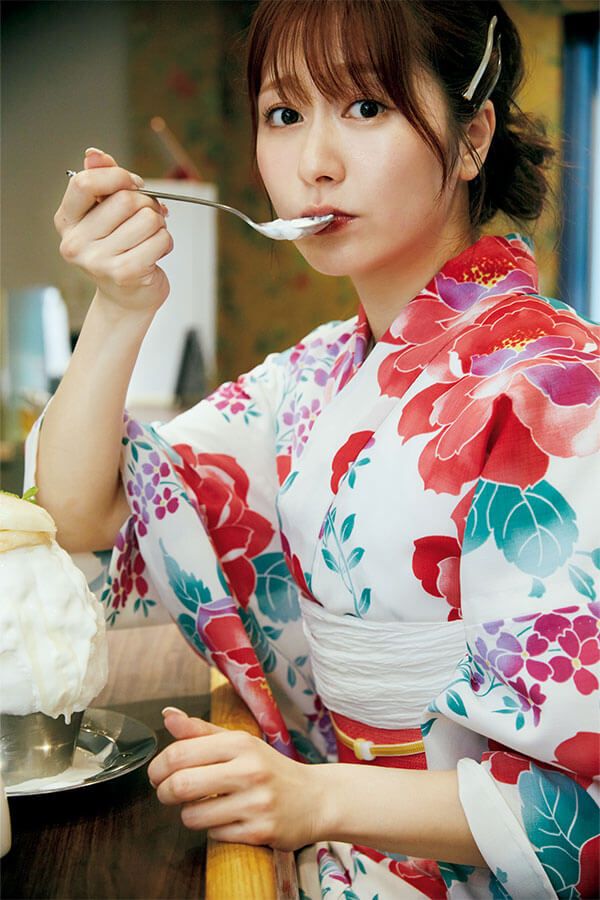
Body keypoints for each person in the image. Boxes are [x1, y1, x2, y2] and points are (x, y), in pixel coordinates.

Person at [28, 0, 599, 896]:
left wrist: (315, 799)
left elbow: (578, 807)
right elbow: (78, 512)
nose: (314, 164)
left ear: (473, 136)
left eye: (366, 107)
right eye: (284, 113)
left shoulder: (560, 388)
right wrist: (119, 305)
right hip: (334, 852)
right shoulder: (314, 375)